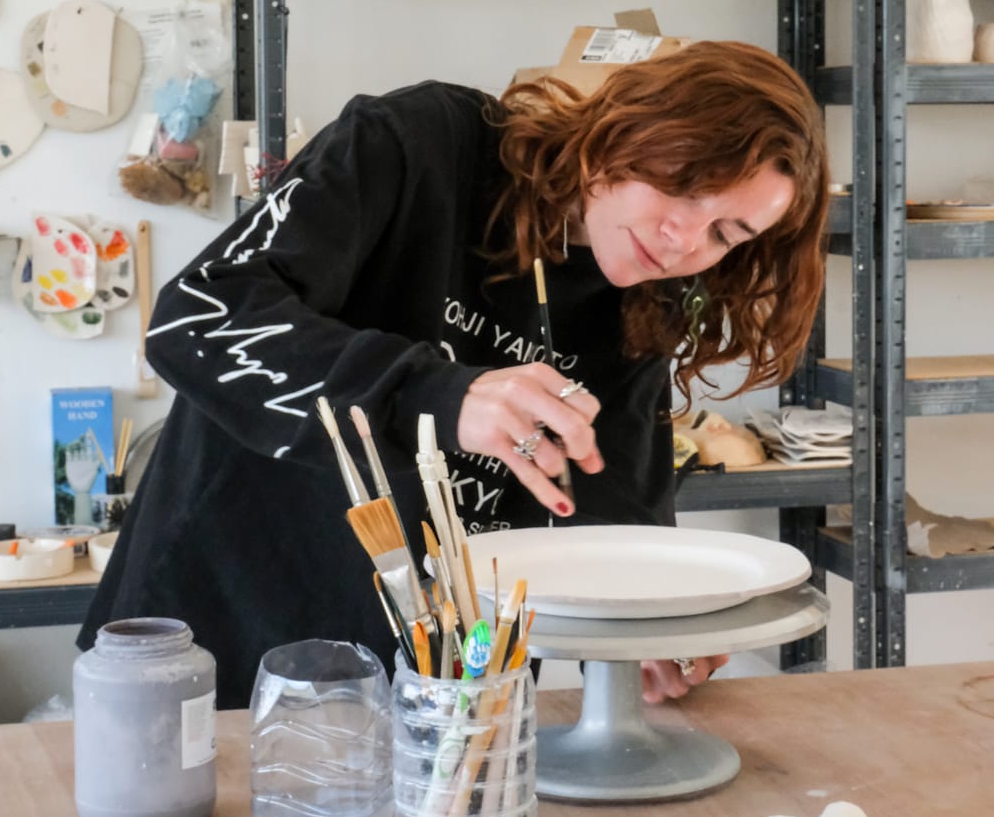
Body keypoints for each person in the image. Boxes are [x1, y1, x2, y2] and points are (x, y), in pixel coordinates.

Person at [79, 40, 829, 709]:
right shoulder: (422, 144)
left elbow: (611, 504)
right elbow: (196, 319)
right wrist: (434, 394)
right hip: (210, 643)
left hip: (442, 695)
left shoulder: (643, 298)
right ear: (625, 131)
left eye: (727, 232)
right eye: (684, 189)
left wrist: (653, 626)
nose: (685, 241)